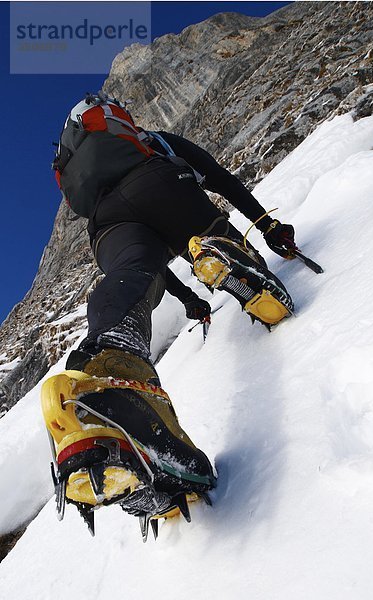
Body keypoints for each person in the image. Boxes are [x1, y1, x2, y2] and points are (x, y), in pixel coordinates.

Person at [42, 92, 297, 535]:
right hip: (158, 182)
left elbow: (154, 265)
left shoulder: (92, 184)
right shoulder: (151, 140)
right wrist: (269, 226)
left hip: (106, 225)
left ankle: (109, 366)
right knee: (213, 235)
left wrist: (185, 300)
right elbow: (219, 178)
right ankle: (228, 259)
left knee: (132, 273)